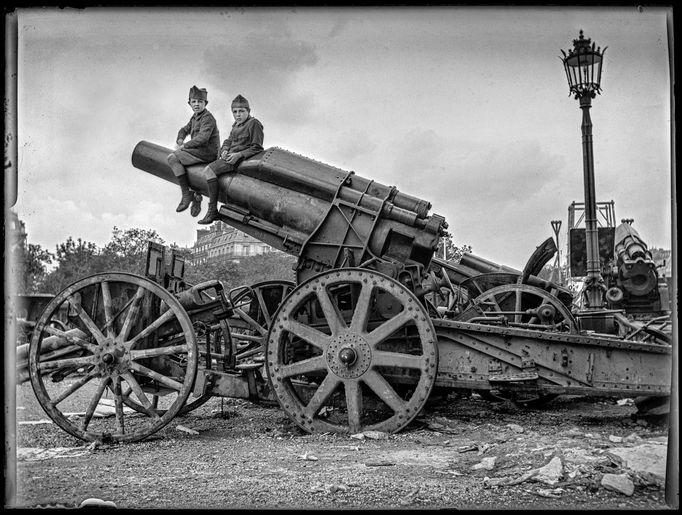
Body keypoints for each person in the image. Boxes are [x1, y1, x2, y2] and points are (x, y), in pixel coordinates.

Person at [197, 94, 264, 224]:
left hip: (240, 160)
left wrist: (239, 155)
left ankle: (212, 211)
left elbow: (257, 148)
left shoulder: (254, 124)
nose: (238, 114)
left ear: (248, 111)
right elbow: (229, 141)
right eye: (235, 112)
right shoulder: (236, 125)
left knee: (209, 171)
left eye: (241, 111)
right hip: (229, 156)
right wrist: (224, 150)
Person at [167, 86, 220, 216]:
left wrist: (184, 146)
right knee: (183, 163)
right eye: (194, 101)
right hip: (197, 151)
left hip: (207, 153)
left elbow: (202, 138)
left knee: (172, 158)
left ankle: (187, 194)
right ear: (189, 103)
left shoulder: (208, 118)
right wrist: (180, 139)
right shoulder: (195, 117)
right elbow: (184, 129)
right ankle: (196, 196)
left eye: (200, 102)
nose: (196, 104)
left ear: (205, 103)